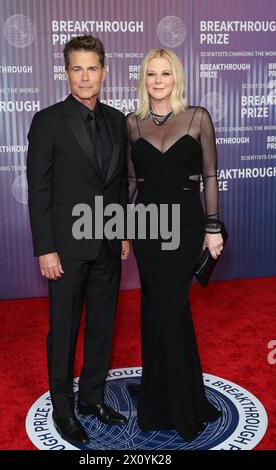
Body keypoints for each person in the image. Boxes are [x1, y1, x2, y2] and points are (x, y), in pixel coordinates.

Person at [27, 35, 130, 446]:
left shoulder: (118, 120)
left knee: (102, 327)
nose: (85, 77)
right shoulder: (48, 121)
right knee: (65, 329)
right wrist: (45, 248)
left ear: (104, 72)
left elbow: (120, 182)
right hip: (65, 250)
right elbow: (39, 191)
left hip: (107, 244)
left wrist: (122, 229)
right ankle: (63, 408)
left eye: (92, 68)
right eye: (77, 68)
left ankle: (92, 399)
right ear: (66, 72)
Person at [126, 48, 224, 442]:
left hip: (185, 224)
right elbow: (131, 183)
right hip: (147, 224)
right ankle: (158, 396)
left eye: (165, 73)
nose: (158, 81)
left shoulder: (198, 117)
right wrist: (120, 227)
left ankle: (183, 403)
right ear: (144, 80)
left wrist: (213, 227)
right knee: (154, 309)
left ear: (176, 78)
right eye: (151, 74)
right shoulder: (132, 124)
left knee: (172, 307)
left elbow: (211, 175)